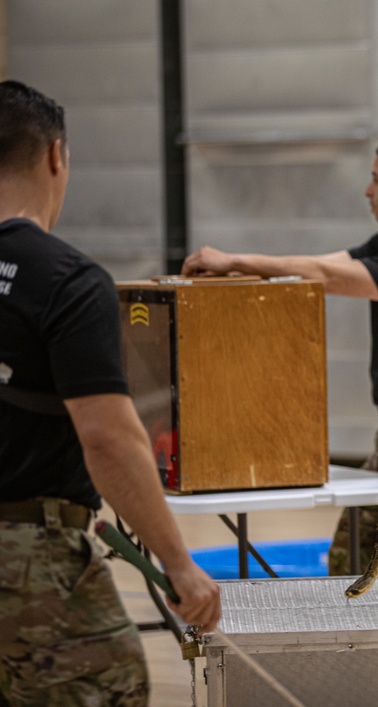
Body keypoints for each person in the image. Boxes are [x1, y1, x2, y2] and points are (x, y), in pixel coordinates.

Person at [0, 80, 221, 705]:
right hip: (29, 557)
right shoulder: (64, 279)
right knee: (111, 687)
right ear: (55, 156)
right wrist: (178, 562)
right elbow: (109, 437)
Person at [181, 134, 378, 582]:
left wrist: (234, 259)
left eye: (376, 179)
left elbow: (326, 276)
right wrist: (241, 271)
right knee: (351, 556)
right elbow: (319, 264)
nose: (367, 190)